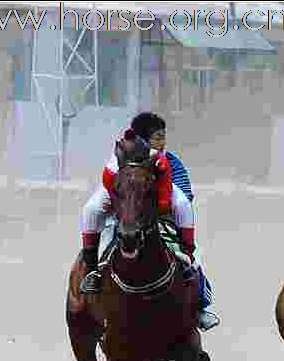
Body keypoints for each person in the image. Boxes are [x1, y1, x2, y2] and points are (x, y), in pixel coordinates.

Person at [79, 112, 219, 331]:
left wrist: (157, 209)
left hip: (161, 218)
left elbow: (181, 196)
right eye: (158, 138)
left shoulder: (169, 162)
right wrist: (123, 208)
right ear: (143, 140)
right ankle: (92, 272)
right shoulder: (118, 158)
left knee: (185, 213)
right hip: (122, 212)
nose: (163, 143)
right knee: (91, 209)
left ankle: (199, 302)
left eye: (163, 137)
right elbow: (110, 184)